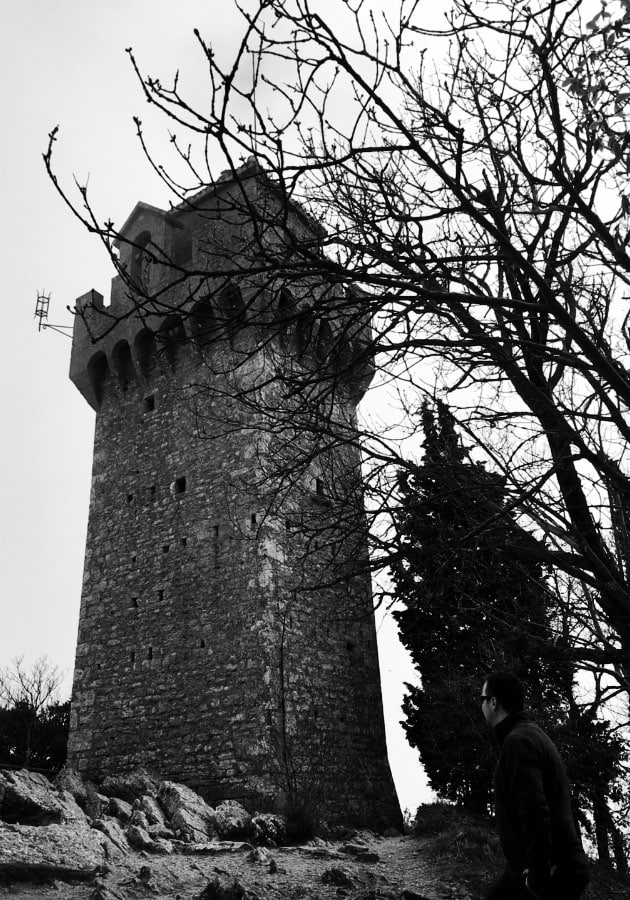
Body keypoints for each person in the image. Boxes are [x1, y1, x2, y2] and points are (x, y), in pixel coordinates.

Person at [481, 671, 590, 900]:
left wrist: (538, 876)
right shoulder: (529, 735)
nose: (481, 705)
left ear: (493, 703)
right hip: (548, 867)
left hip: (552, 871)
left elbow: (534, 810)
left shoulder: (518, 742)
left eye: (482, 699)